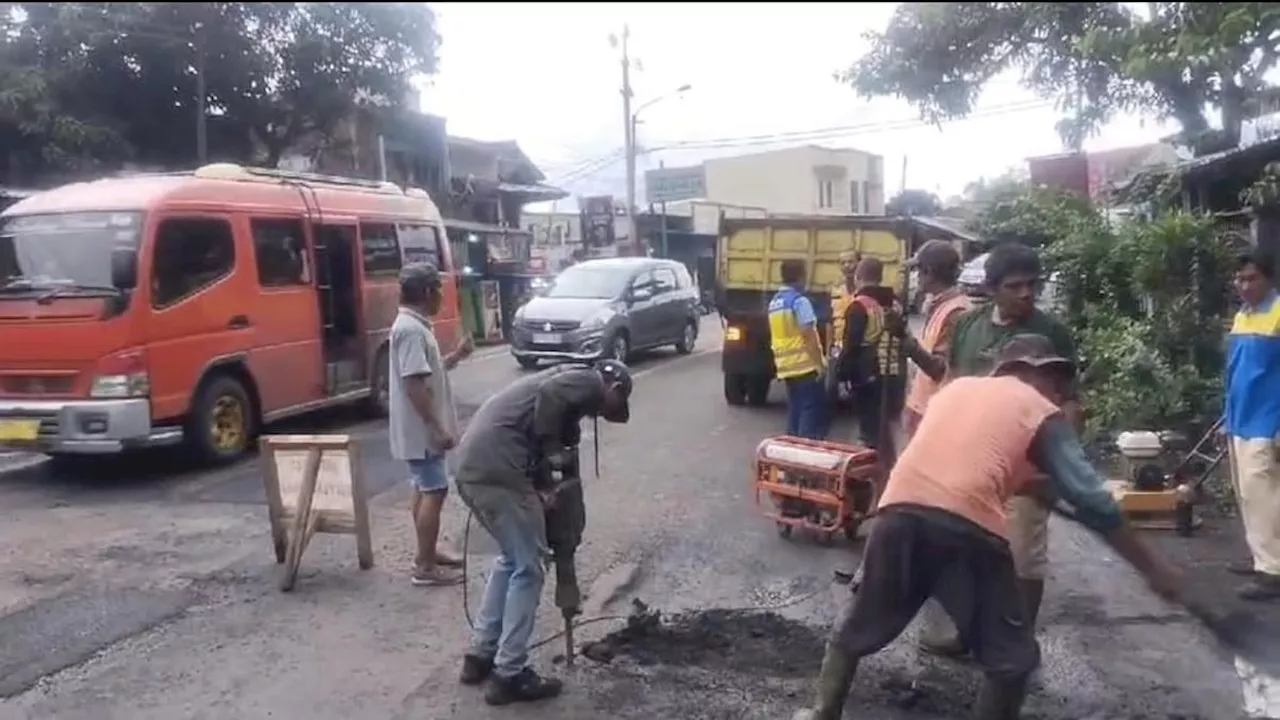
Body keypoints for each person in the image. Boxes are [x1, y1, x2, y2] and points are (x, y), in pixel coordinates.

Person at [791, 334, 1185, 720]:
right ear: (1025, 370)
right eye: (1055, 380)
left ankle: (820, 712)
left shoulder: (956, 391)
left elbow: (973, 459)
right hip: (966, 527)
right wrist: (1153, 568)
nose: (1059, 393)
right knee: (1012, 659)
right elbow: (1095, 500)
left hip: (898, 513)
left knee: (859, 622)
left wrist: (1040, 487)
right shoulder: (1037, 409)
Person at [914, 241, 1079, 658]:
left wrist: (1060, 466)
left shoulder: (1051, 333)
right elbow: (950, 382)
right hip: (970, 463)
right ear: (991, 288)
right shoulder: (968, 326)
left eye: (1032, 284)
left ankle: (1017, 644)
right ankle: (967, 633)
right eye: (1015, 285)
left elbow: (1070, 401)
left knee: (1023, 556)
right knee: (967, 551)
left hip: (1025, 464)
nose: (1026, 293)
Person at [454, 359, 633, 706]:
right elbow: (549, 403)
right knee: (530, 567)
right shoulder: (589, 380)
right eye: (614, 404)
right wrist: (553, 454)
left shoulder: (557, 383)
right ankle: (509, 674)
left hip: (473, 465)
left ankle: (479, 656)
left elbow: (533, 424)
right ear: (615, 389)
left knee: (512, 560)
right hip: (498, 469)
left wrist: (539, 484)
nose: (602, 413)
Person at [388, 262, 474, 587]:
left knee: (423, 487)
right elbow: (414, 385)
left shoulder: (414, 326)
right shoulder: (411, 330)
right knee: (435, 489)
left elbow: (428, 372)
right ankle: (424, 565)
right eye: (438, 289)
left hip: (419, 431)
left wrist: (457, 356)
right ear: (426, 292)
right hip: (422, 431)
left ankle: (429, 550)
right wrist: (438, 428)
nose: (441, 296)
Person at [1225, 250, 1280, 600]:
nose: (1245, 286)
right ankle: (1263, 557)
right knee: (1246, 493)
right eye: (1240, 279)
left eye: (1252, 278)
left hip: (1267, 420)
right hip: (1239, 418)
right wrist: (1225, 416)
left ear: (1269, 279)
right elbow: (1234, 371)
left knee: (1265, 495)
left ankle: (1272, 571)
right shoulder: (1243, 317)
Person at [896, 239, 971, 439]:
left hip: (935, 412)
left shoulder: (957, 312)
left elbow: (940, 369)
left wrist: (908, 344)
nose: (916, 277)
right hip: (925, 407)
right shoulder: (941, 305)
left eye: (918, 271)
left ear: (928, 272)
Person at [828, 257, 902, 450]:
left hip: (869, 372)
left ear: (859, 277)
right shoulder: (894, 304)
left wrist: (841, 373)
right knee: (886, 428)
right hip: (893, 373)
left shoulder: (859, 305)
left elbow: (852, 343)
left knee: (868, 428)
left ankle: (868, 470)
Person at [769, 258, 828, 439]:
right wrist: (819, 364)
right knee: (810, 411)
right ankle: (804, 450)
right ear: (801, 276)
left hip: (786, 367)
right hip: (805, 366)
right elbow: (808, 335)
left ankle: (791, 450)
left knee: (795, 410)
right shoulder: (799, 302)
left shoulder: (775, 303)